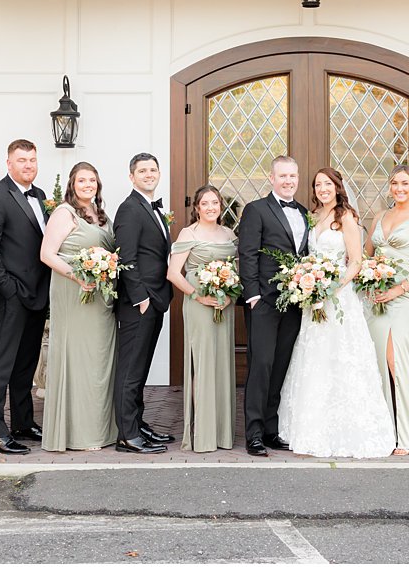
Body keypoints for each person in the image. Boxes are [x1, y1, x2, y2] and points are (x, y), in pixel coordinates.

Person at [280, 167, 395, 458]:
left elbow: (355, 261)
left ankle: (350, 429)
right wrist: (310, 285)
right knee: (315, 358)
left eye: (327, 184)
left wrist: (332, 288)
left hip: (339, 298)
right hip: (313, 299)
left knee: (343, 357)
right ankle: (310, 428)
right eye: (318, 184)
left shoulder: (347, 217)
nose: (322, 189)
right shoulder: (312, 216)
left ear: (337, 186)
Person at [0, 139, 52, 455]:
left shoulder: (42, 196)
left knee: (26, 363)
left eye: (32, 160)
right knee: (1, 364)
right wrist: (8, 289)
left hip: (37, 295)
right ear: (8, 163)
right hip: (10, 296)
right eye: (22, 160)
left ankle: (22, 422)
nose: (28, 165)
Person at [39, 161, 117, 453]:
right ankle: (77, 434)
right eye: (82, 180)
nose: (88, 185)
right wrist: (77, 276)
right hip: (74, 294)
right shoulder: (64, 213)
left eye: (92, 180)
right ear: (72, 184)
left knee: (99, 361)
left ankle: (100, 430)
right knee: (78, 359)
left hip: (100, 298)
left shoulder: (101, 214)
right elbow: (47, 254)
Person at [237, 155, 309, 457]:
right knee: (261, 366)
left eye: (292, 176)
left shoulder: (304, 212)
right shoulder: (256, 210)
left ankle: (270, 429)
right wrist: (252, 294)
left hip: (294, 303)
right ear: (272, 178)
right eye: (282, 176)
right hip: (264, 302)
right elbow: (248, 252)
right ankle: (253, 433)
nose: (288, 181)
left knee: (280, 366)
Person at [365, 165, 409, 455]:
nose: (399, 188)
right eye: (394, 183)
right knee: (377, 363)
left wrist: (399, 288)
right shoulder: (380, 217)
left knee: (398, 363)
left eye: (404, 183)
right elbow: (367, 255)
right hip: (376, 297)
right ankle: (383, 431)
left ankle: (408, 435)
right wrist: (369, 280)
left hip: (403, 299)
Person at [165, 185, 238, 453]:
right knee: (203, 363)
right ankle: (203, 431)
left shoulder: (229, 234)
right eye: (205, 203)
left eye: (215, 203)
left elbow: (237, 269)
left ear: (221, 206)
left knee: (221, 363)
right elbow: (174, 273)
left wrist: (232, 294)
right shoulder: (189, 233)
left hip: (224, 303)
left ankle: (221, 432)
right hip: (199, 304)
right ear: (197, 207)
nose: (210, 207)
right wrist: (198, 295)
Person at [112, 152, 176, 454]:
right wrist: (141, 299)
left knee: (141, 368)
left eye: (152, 169)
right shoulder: (129, 209)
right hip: (140, 303)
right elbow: (127, 258)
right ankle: (127, 434)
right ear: (131, 176)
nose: (148, 174)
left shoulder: (151, 208)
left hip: (156, 300)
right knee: (130, 371)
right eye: (142, 170)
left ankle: (137, 425)